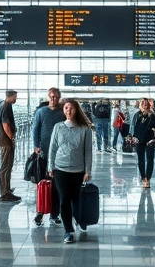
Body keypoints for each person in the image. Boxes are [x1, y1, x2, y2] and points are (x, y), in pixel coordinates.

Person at [47, 98, 94, 245]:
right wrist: (50, 166)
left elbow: (88, 151)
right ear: (63, 110)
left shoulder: (85, 129)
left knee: (76, 198)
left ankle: (80, 218)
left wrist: (88, 170)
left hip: (78, 169)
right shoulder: (58, 127)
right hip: (60, 168)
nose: (68, 111)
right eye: (66, 108)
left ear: (76, 110)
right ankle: (68, 230)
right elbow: (52, 148)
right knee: (64, 198)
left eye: (71, 108)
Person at [31, 87, 65, 225]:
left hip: (58, 154)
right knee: (42, 184)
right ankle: (40, 211)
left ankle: (54, 213)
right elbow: (35, 129)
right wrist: (36, 146)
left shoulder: (62, 112)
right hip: (44, 153)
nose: (54, 99)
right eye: (52, 96)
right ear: (48, 97)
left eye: (56, 97)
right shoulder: (41, 112)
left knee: (56, 185)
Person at [0, 90, 21, 203]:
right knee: (5, 166)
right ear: (11, 97)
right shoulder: (6, 106)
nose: (16, 99)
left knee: (8, 165)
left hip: (4, 139)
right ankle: (4, 193)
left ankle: (7, 189)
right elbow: (5, 124)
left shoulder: (3, 104)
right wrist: (11, 137)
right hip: (5, 140)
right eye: (15, 97)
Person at [132, 98, 155, 188]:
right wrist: (133, 137)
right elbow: (133, 127)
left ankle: (147, 179)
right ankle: (143, 177)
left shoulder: (152, 116)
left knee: (150, 159)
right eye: (143, 104)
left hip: (150, 140)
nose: (145, 105)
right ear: (140, 105)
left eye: (146, 104)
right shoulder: (137, 115)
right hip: (139, 140)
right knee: (141, 159)